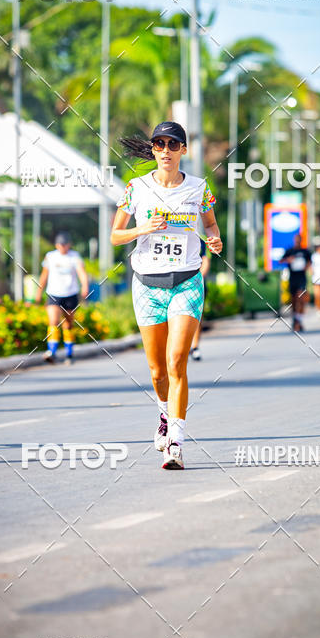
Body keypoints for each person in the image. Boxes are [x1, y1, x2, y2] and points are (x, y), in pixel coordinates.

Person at [111, 120, 221, 469]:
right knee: (157, 371)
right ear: (154, 149)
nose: (166, 151)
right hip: (147, 284)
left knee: (177, 361)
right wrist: (142, 229)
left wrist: (215, 240)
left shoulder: (199, 188)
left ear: (183, 151)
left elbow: (211, 225)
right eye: (160, 144)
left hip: (187, 281)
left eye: (173, 145)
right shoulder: (135, 188)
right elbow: (115, 235)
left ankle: (176, 440)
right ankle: (163, 413)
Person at [36, 233, 89, 364]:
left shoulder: (74, 257)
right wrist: (38, 291)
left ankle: (69, 354)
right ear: (56, 245)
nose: (63, 247)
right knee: (53, 321)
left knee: (68, 324)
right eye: (60, 245)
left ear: (69, 245)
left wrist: (85, 287)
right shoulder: (50, 256)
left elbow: (81, 272)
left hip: (70, 293)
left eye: (65, 245)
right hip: (54, 293)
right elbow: (44, 275)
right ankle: (52, 352)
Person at [282, 233, 311, 332]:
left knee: (301, 298)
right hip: (293, 278)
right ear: (294, 240)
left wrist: (307, 266)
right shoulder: (290, 251)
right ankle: (295, 320)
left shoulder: (305, 251)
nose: (298, 241)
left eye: (299, 239)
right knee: (294, 301)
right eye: (296, 239)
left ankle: (299, 320)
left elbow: (309, 261)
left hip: (301, 278)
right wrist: (288, 260)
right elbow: (281, 260)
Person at [189, 238, 210, 360]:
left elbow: (205, 260)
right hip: (172, 283)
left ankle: (195, 347)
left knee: (197, 316)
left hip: (196, 283)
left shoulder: (199, 239)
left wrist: (197, 280)